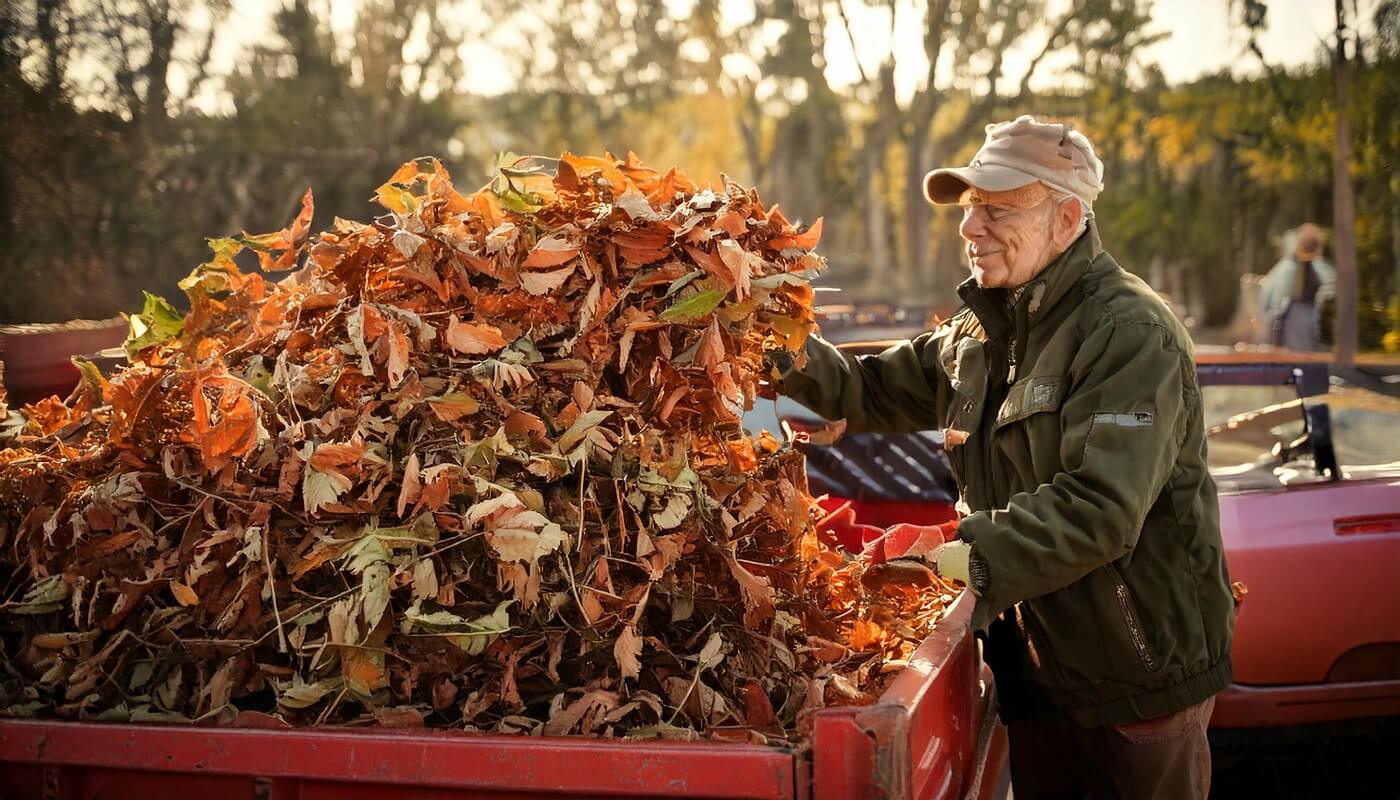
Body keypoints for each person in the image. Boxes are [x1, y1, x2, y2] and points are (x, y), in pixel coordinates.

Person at [769, 116, 1234, 799]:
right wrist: (769, 331)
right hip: (1037, 670)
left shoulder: (1129, 332)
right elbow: (862, 389)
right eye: (968, 209)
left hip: (1138, 678)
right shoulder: (977, 335)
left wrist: (955, 554)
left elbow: (1100, 510)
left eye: (997, 208)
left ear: (1067, 216)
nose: (970, 227)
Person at [1257, 224, 1336, 351]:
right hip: (1314, 342)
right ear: (1319, 247)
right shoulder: (1326, 272)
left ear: (1297, 245)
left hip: (1282, 339)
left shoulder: (1282, 270)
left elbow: (1265, 302)